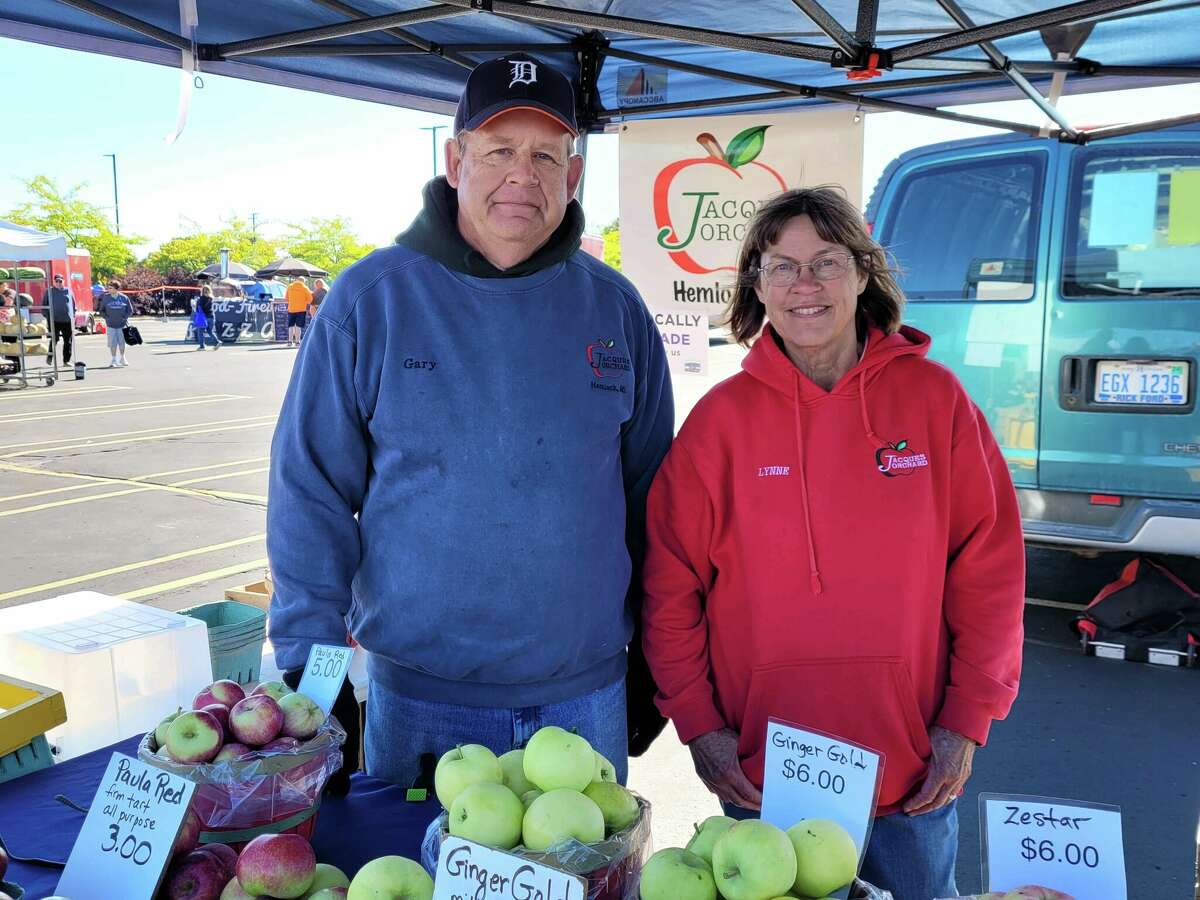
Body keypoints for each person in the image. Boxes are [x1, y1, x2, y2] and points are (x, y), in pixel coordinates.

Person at [267, 53, 673, 792]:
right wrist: (312, 671)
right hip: (419, 703)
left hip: (585, 699)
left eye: (545, 156)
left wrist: (655, 657)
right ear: (456, 163)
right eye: (498, 151)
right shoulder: (370, 301)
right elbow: (309, 493)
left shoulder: (617, 310)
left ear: (574, 176)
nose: (523, 175)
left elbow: (657, 504)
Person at [641, 187, 1025, 900]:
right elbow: (670, 588)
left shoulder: (937, 402)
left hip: (912, 774)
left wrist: (966, 722)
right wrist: (699, 727)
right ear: (757, 285)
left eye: (826, 262)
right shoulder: (718, 425)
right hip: (764, 776)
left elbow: (990, 573)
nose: (805, 285)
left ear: (863, 272)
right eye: (782, 267)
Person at [97, 279, 134, 367]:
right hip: (111, 325)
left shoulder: (124, 298)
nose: (108, 289)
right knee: (112, 343)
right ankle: (113, 360)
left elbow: (130, 310)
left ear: (116, 289)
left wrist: (124, 317)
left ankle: (122, 358)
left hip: (122, 325)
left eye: (111, 288)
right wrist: (106, 317)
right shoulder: (106, 298)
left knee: (122, 342)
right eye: (108, 288)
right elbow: (101, 310)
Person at [46, 273, 76, 365]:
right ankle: (50, 357)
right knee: (54, 339)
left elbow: (73, 305)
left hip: (67, 320)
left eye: (60, 281)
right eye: (57, 281)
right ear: (54, 282)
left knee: (68, 341)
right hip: (54, 320)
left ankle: (66, 361)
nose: (58, 283)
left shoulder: (68, 291)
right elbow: (44, 305)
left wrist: (73, 316)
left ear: (63, 281)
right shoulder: (49, 291)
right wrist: (47, 316)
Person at [284, 276, 312, 347]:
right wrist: (304, 302)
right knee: (298, 326)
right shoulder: (305, 288)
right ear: (303, 281)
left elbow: (286, 298)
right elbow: (310, 299)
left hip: (291, 309)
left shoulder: (290, 287)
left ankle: (289, 341)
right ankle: (297, 342)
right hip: (301, 309)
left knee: (291, 326)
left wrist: (291, 302)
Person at [194, 284, 219, 351]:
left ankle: (202, 347)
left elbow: (199, 308)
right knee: (210, 331)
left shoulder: (201, 298)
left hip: (204, 317)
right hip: (211, 316)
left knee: (200, 332)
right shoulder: (211, 298)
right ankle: (217, 342)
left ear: (202, 291)